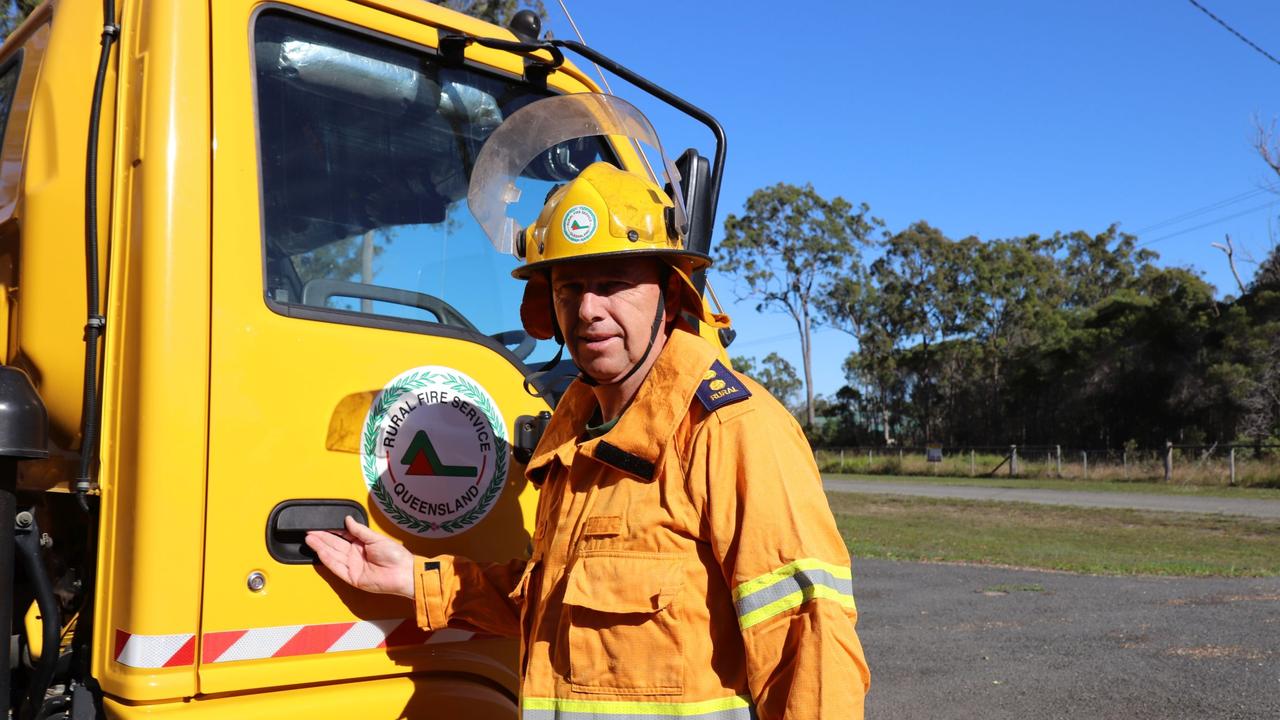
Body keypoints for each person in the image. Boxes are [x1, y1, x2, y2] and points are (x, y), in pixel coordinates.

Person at [307, 109, 869, 719]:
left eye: (614, 282)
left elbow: (809, 643)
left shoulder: (732, 431)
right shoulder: (572, 439)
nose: (590, 309)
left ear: (670, 292)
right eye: (570, 288)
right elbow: (557, 611)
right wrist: (419, 581)